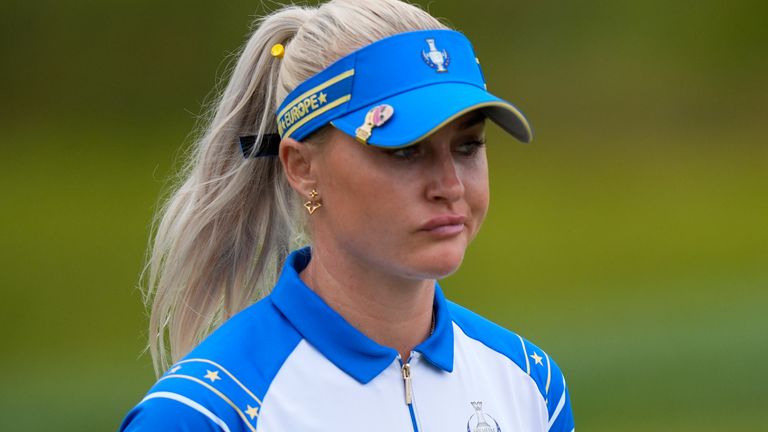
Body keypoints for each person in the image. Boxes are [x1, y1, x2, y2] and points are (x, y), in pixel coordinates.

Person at [120, 0, 575, 431]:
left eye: (468, 146)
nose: (450, 186)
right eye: (404, 150)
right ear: (302, 167)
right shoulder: (205, 415)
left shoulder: (529, 385)